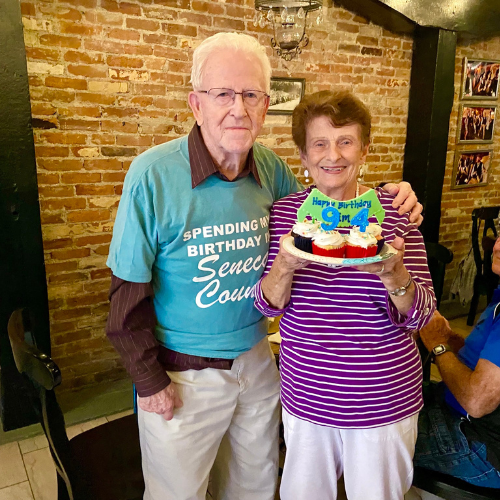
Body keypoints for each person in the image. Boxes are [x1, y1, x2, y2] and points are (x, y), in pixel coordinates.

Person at [106, 33, 423, 500]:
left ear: (265, 104)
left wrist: (391, 192)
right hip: (183, 373)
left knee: (254, 489)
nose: (238, 108)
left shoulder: (271, 170)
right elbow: (126, 294)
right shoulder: (152, 176)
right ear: (196, 104)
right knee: (178, 494)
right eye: (223, 94)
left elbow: (329, 196)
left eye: (251, 94)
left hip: (259, 366)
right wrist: (149, 382)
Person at [254, 89, 436, 500]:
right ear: (302, 156)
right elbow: (266, 303)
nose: (332, 155)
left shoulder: (396, 213)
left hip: (382, 399)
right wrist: (285, 265)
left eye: (345, 141)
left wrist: (394, 274)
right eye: (319, 143)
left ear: (365, 149)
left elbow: (424, 315)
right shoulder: (284, 214)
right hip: (306, 396)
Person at [414, 237, 500, 488]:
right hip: (462, 417)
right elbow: (486, 364)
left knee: (376, 436)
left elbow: (478, 401)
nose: (496, 246)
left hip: (480, 444)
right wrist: (451, 341)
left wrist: (438, 347)